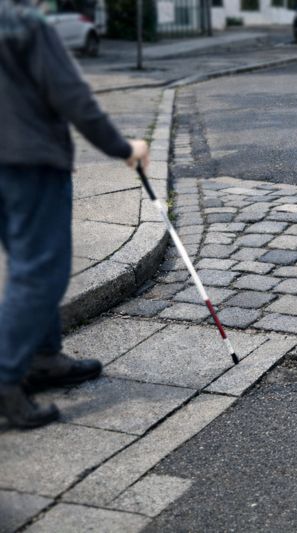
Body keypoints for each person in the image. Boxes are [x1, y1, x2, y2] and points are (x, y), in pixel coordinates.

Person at [0, 0, 149, 428]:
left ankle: (43, 357)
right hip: (30, 163)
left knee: (27, 265)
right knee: (40, 272)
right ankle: (6, 376)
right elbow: (71, 95)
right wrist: (123, 148)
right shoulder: (26, 25)